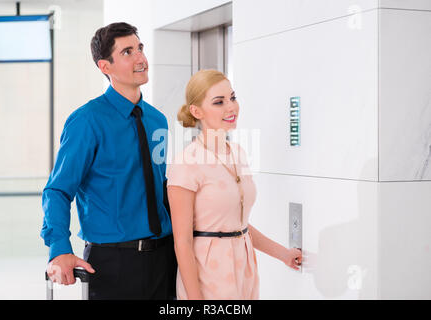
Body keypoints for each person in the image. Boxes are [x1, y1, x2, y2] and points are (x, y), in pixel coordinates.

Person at [40, 22, 176, 300]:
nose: (140, 58)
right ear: (105, 66)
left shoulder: (157, 120)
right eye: (128, 51)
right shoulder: (86, 121)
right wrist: (60, 248)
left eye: (140, 48)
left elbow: (161, 187)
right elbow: (58, 190)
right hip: (114, 264)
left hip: (165, 260)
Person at [167, 69, 302, 300]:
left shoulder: (238, 153)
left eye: (232, 97)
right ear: (196, 111)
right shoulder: (186, 163)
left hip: (244, 267)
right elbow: (182, 242)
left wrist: (283, 254)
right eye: (219, 102)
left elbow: (239, 226)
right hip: (208, 273)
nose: (231, 107)